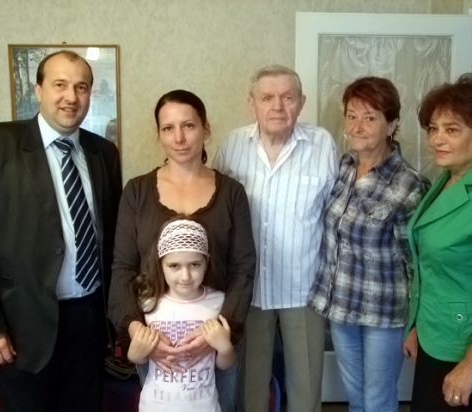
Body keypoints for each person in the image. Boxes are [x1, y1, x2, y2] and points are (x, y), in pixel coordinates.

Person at [0, 50, 122, 412]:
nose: (71, 97)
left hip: (89, 320)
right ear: (38, 90)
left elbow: (112, 238)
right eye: (60, 85)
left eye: (81, 87)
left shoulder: (104, 153)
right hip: (23, 325)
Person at [108, 89, 255, 412]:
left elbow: (243, 268)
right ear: (158, 134)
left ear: (206, 128)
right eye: (168, 128)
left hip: (218, 338)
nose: (179, 138)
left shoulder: (232, 193)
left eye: (188, 125)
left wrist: (218, 334)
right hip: (156, 341)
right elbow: (123, 268)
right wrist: (138, 332)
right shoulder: (137, 192)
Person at [213, 64, 339, 412]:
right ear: (251, 103)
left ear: (301, 102)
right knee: (250, 389)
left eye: (288, 97)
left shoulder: (323, 145)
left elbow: (335, 216)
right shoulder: (232, 145)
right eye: (267, 97)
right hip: (249, 290)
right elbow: (217, 210)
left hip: (304, 289)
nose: (278, 106)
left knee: (306, 388)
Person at [307, 77, 429, 412]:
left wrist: (416, 324)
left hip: (384, 311)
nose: (357, 127)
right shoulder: (343, 167)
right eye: (351, 116)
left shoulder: (409, 184)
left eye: (370, 117)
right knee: (355, 395)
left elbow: (416, 263)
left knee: (378, 398)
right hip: (341, 304)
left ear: (392, 124)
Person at [403, 74, 472, 411]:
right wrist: (417, 327)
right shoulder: (449, 180)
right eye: (433, 128)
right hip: (439, 339)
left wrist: (471, 367)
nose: (437, 139)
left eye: (452, 130)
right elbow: (434, 268)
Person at [128, 217, 235, 411]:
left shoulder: (218, 302)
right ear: (161, 264)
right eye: (174, 266)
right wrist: (134, 355)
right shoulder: (148, 303)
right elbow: (143, 357)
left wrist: (225, 348)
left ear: (206, 262)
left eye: (195, 265)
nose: (185, 276)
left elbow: (225, 365)